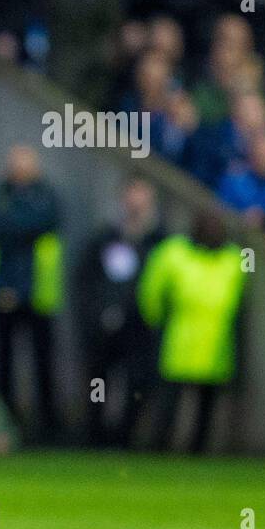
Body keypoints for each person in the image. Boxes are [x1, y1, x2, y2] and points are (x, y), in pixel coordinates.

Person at [0, 144, 63, 443]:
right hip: (3, 290)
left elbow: (43, 221)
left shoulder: (45, 195)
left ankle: (48, 429)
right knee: (3, 364)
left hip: (39, 294)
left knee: (44, 364)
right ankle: (5, 427)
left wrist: (11, 226)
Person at [138, 209, 246, 453]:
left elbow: (241, 301)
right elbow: (151, 292)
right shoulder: (173, 252)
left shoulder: (234, 259)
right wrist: (155, 322)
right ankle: (160, 447)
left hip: (215, 344)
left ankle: (197, 449)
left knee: (205, 406)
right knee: (169, 402)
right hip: (182, 340)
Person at [75, 176, 164, 448]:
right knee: (98, 385)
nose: (136, 202)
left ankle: (125, 438)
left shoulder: (160, 241)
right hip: (104, 328)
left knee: (137, 385)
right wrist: (94, 315)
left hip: (140, 329)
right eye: (132, 194)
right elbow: (83, 280)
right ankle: (95, 437)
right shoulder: (105, 238)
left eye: (142, 195)